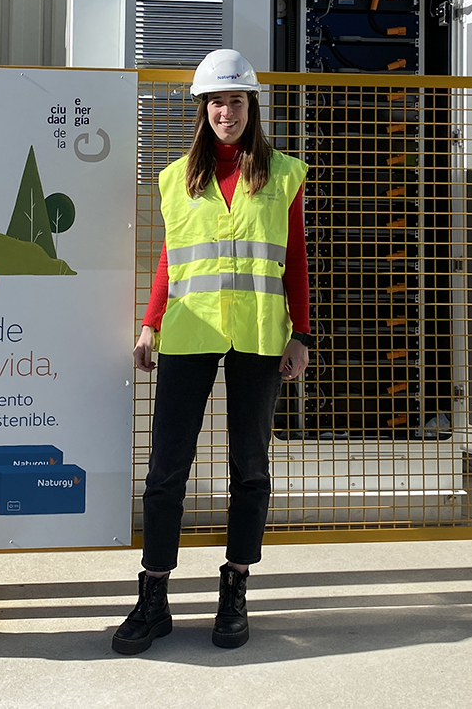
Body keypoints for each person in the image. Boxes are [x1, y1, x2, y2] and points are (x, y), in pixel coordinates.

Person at [113, 49, 313, 655]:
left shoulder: (283, 174)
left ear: (253, 107)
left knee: (250, 468)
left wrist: (301, 334)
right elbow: (171, 259)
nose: (226, 112)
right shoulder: (178, 178)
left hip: (257, 334)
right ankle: (153, 594)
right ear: (201, 110)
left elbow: (297, 259)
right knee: (165, 469)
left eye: (236, 100)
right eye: (215, 102)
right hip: (189, 332)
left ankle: (235, 587)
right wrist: (149, 324)